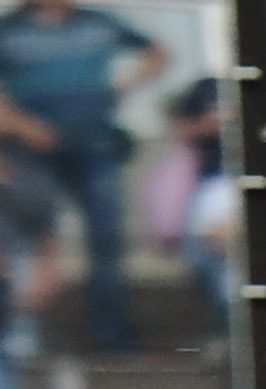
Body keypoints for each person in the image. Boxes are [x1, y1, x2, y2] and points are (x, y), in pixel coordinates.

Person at [0, 0, 160, 356]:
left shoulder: (99, 23)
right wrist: (23, 126)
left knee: (106, 239)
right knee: (30, 239)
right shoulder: (10, 31)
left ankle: (113, 335)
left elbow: (157, 53)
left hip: (94, 144)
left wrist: (123, 87)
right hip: (32, 150)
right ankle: (25, 336)